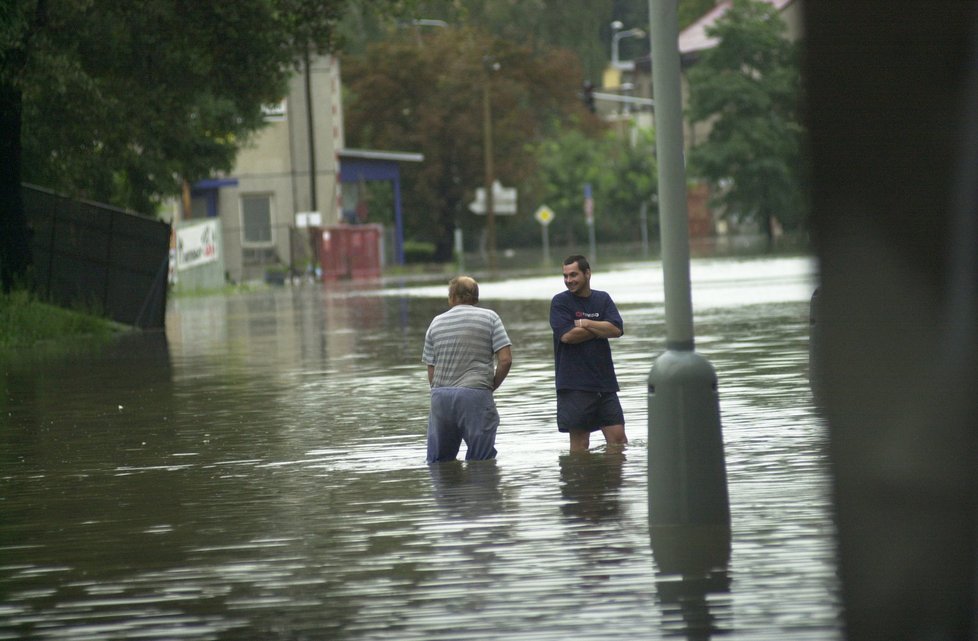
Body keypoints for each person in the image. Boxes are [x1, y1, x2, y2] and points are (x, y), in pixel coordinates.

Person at [422, 276, 513, 463]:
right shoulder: (490, 318)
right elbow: (505, 360)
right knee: (482, 462)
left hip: (441, 397)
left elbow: (431, 371)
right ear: (476, 297)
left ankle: (444, 491)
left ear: (452, 297)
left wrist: (442, 390)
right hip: (475, 394)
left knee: (439, 463)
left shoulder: (436, 323)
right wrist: (490, 386)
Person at [550, 255, 628, 452]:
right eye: (565, 276)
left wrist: (586, 323)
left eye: (573, 275)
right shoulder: (560, 302)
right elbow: (567, 336)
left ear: (587, 273)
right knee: (580, 446)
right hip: (574, 385)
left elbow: (616, 330)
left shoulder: (602, 299)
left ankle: (613, 483)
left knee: (619, 442)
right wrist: (601, 327)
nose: (569, 280)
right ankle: (580, 482)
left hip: (605, 383)